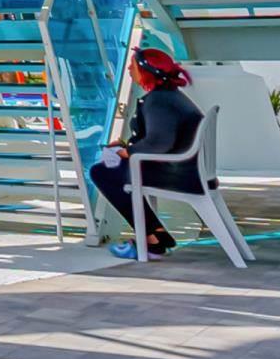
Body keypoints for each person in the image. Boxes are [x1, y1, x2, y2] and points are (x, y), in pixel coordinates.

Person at [87, 45, 204, 259]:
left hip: (177, 175)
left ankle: (152, 240)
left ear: (145, 71)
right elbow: (161, 138)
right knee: (113, 171)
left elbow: (158, 143)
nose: (129, 70)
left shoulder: (159, 101)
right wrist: (126, 146)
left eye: (132, 66)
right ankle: (156, 234)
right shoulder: (169, 97)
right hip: (183, 170)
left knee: (102, 172)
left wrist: (127, 152)